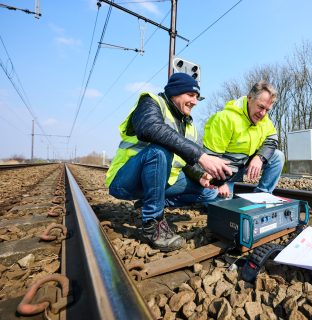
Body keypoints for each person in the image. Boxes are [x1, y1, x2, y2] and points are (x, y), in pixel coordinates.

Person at [105, 73, 231, 252]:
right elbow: (150, 128)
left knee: (208, 193)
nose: (195, 102)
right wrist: (202, 156)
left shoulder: (189, 125)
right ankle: (152, 222)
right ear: (175, 92)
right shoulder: (151, 102)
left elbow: (185, 161)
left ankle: (149, 202)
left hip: (158, 180)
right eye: (191, 95)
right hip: (125, 181)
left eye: (197, 97)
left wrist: (201, 175)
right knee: (159, 150)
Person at [202, 80, 285, 198]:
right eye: (261, 107)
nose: (263, 113)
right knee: (221, 206)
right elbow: (211, 158)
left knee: (278, 156)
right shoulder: (225, 118)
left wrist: (259, 157)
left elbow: (272, 140)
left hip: (245, 163)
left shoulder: (264, 120)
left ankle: (262, 196)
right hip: (226, 170)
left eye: (267, 110)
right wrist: (220, 183)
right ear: (250, 98)